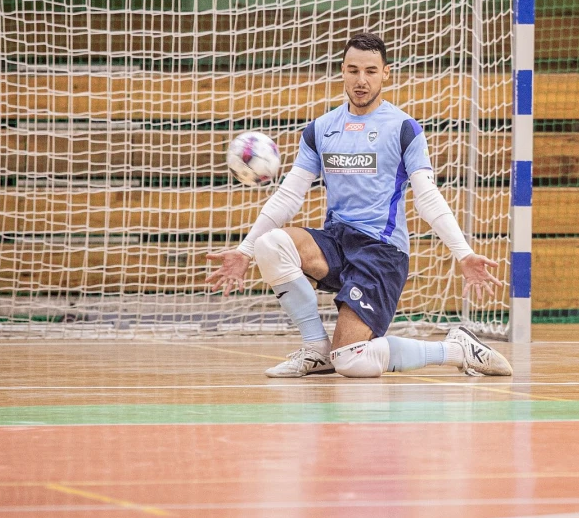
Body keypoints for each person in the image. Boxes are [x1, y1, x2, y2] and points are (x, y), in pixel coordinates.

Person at [207, 32, 513, 379]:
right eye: (353, 70)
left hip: (381, 252)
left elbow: (427, 197)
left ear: (386, 73)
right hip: (338, 242)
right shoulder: (321, 129)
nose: (361, 80)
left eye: (370, 71)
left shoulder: (404, 128)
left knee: (351, 361)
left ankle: (456, 349)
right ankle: (315, 350)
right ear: (342, 71)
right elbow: (289, 195)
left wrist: (463, 253)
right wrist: (244, 250)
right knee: (269, 244)